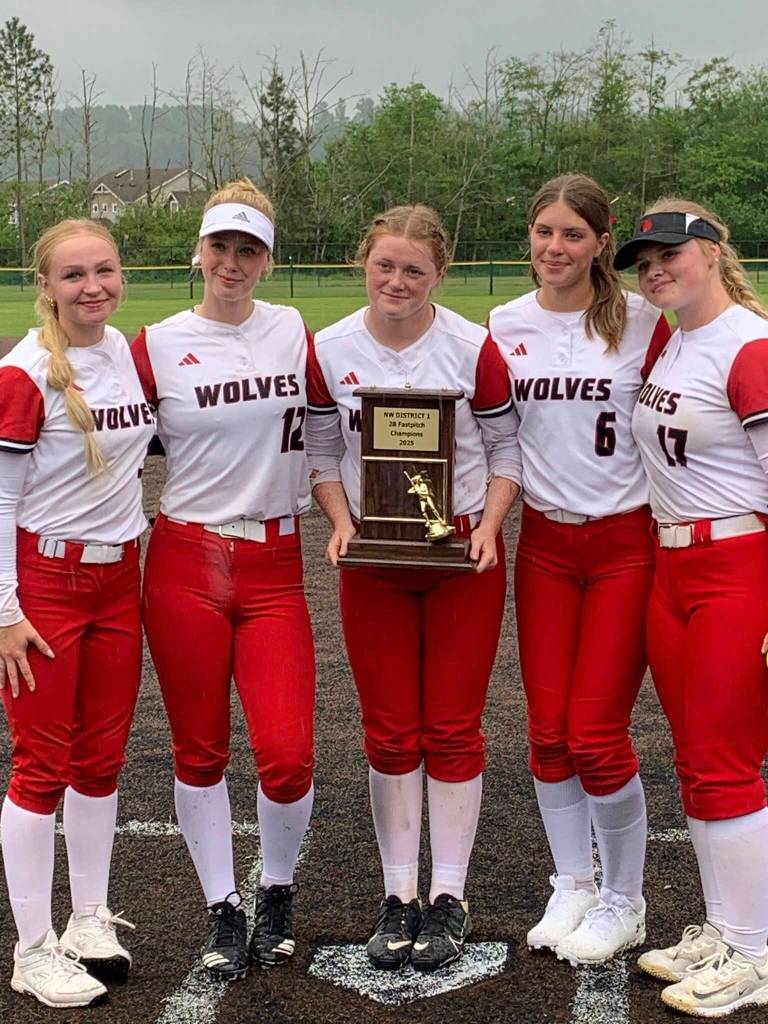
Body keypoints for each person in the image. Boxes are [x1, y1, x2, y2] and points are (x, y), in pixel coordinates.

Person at [305, 204, 521, 972]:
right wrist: (338, 520)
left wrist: (491, 526)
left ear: (441, 275)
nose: (397, 281)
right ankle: (399, 893)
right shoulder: (329, 349)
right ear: (362, 264)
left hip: (458, 554)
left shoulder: (472, 347)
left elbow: (504, 451)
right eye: (384, 265)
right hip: (374, 557)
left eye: (414, 270)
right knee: (391, 729)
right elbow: (323, 452)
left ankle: (449, 895)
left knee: (454, 728)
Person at [131, 179, 317, 981]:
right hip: (186, 560)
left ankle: (276, 889)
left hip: (275, 564)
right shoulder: (156, 342)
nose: (233, 263)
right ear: (198, 252)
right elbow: (101, 429)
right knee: (199, 750)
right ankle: (222, 907)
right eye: (221, 247)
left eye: (249, 250)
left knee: (288, 754)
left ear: (266, 259)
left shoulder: (295, 329)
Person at [489, 174, 671, 966]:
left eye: (572, 234)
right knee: (548, 732)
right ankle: (572, 880)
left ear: (602, 242)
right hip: (546, 547)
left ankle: (626, 899)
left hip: (624, 542)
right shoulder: (502, 323)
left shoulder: (645, 321)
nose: (555, 248)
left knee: (596, 733)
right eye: (543, 232)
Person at [614, 202, 768, 1017]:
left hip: (737, 566)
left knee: (725, 760)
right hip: (673, 568)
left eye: (670, 253)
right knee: (697, 758)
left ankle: (756, 951)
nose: (655, 268)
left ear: (711, 252)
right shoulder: (676, 339)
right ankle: (729, 925)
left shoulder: (748, 343)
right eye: (643, 260)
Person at [0, 219, 152, 1007]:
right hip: (47, 586)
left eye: (105, 270)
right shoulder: (24, 372)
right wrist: (3, 610)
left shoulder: (123, 352)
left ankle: (88, 917)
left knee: (100, 761)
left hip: (118, 581)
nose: (93, 287)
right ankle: (31, 950)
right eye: (74, 276)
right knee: (41, 767)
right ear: (47, 286)